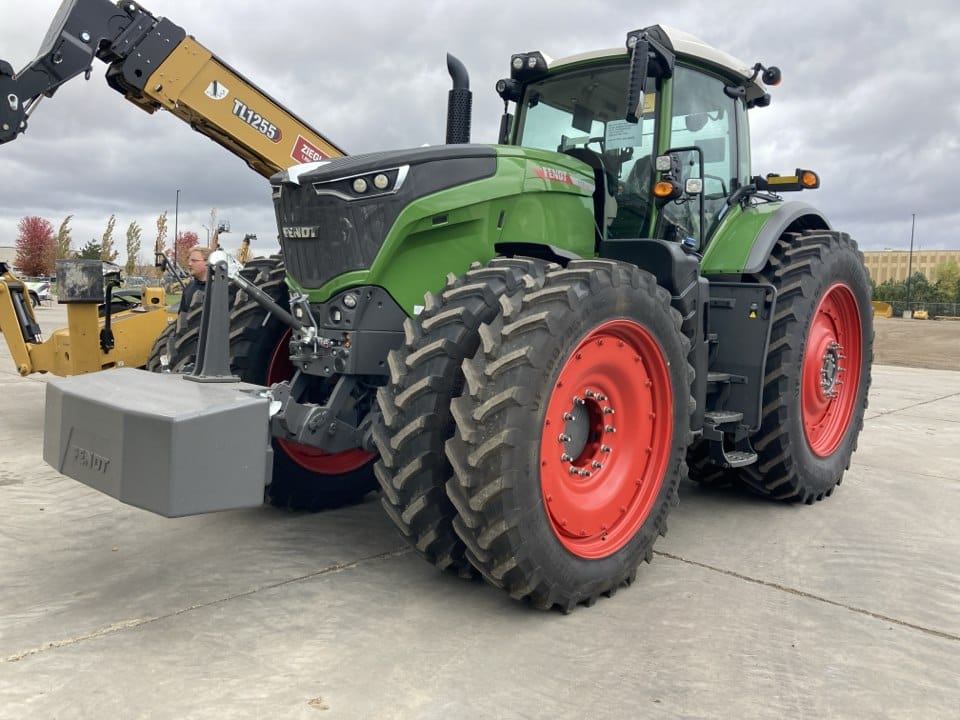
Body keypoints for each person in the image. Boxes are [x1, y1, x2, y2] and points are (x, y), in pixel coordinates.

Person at [180, 246, 211, 314]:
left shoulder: (219, 288)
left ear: (207, 262)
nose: (189, 264)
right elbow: (182, 316)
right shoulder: (189, 286)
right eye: (189, 260)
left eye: (194, 261)